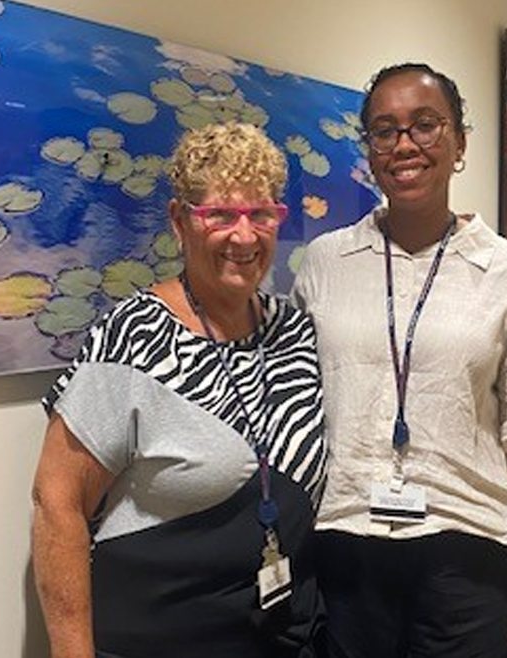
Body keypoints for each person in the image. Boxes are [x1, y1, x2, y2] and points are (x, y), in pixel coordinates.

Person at [292, 63, 507, 658]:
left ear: (459, 143)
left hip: (469, 556)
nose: (405, 144)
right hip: (346, 550)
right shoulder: (325, 263)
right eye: (384, 130)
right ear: (369, 150)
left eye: (425, 125)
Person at [31, 122, 327, 658]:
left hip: (284, 632)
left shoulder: (295, 331)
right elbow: (57, 503)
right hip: (157, 637)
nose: (244, 236)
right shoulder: (133, 335)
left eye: (261, 213)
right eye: (220, 214)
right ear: (179, 221)